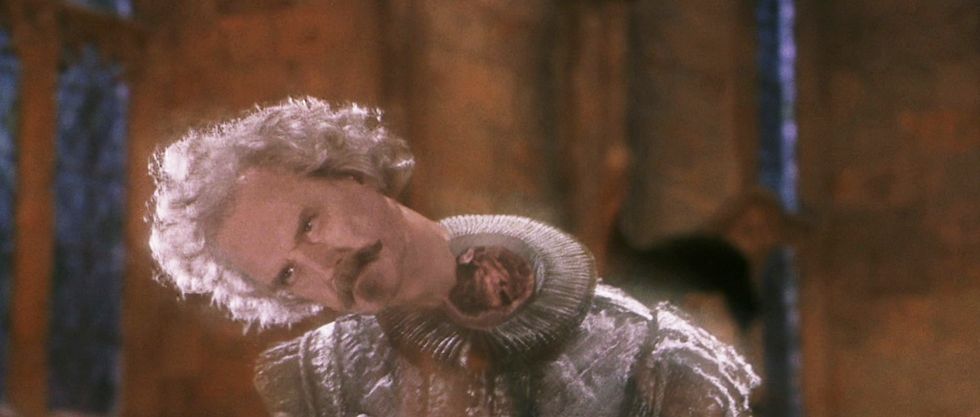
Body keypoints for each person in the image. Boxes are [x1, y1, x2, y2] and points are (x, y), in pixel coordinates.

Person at [149, 97, 759, 417]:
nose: (322, 265)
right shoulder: (320, 392)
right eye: (286, 274)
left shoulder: (650, 351)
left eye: (310, 223)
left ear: (352, 173)